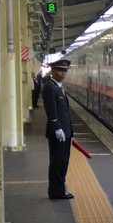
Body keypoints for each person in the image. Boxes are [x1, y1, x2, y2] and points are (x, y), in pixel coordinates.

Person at [41, 59, 74, 200]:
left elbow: (65, 112)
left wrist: (70, 132)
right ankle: (56, 192)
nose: (63, 73)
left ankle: (59, 189)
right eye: (60, 70)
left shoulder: (58, 86)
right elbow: (51, 110)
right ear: (52, 71)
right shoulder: (50, 87)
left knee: (63, 162)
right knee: (58, 163)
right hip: (58, 133)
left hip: (65, 132)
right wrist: (56, 128)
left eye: (65, 71)